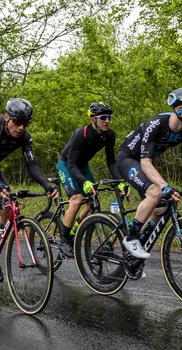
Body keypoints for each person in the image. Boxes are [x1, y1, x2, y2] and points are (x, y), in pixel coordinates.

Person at [117, 87, 182, 262]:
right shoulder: (155, 125)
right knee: (156, 192)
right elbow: (145, 163)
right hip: (129, 159)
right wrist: (165, 186)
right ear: (179, 110)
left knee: (162, 205)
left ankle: (133, 256)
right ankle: (131, 238)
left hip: (146, 162)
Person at [0, 98, 58, 281]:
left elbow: (32, 166)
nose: (21, 127)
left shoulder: (24, 136)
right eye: (17, 122)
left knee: (8, 205)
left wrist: (47, 185)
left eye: (26, 123)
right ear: (6, 117)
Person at [56, 101, 127, 257]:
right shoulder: (81, 134)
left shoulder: (109, 135)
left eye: (109, 117)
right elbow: (71, 164)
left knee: (93, 200)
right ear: (93, 119)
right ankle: (63, 240)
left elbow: (111, 163)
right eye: (103, 117)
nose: (107, 120)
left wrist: (121, 182)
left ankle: (75, 231)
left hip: (82, 166)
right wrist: (84, 182)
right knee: (76, 199)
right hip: (67, 165)